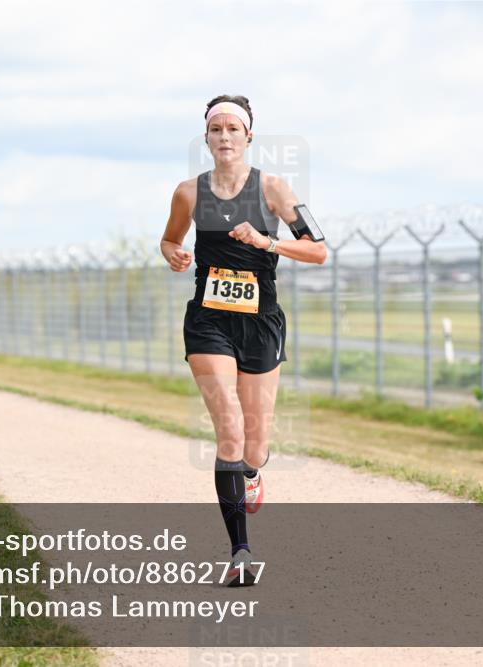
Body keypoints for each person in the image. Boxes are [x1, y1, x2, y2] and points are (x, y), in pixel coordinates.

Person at [159, 95, 327, 587]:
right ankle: (240, 553)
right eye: (216, 129)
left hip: (261, 320)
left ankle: (252, 473)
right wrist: (173, 253)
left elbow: (319, 251)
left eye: (233, 128)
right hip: (209, 320)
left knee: (254, 444)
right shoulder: (188, 192)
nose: (225, 136)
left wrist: (268, 242)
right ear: (206, 138)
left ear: (248, 136)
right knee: (229, 431)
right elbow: (169, 239)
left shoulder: (274, 188)